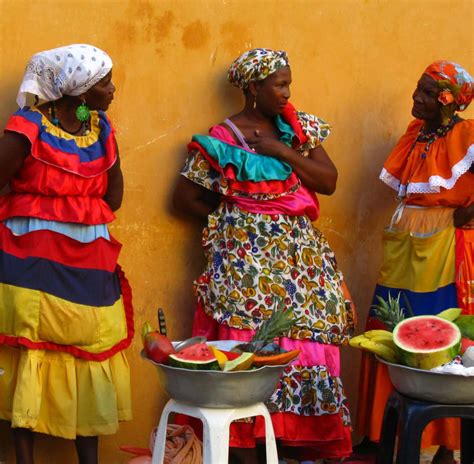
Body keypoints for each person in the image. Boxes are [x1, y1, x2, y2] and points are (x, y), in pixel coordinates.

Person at [172, 48, 355, 463]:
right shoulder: (222, 139)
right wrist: (235, 221)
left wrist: (282, 151)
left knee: (304, 342)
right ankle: (246, 451)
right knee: (249, 347)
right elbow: (184, 198)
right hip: (246, 267)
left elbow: (328, 181)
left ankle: (293, 447)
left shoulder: (297, 129)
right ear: (253, 88)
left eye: (289, 83)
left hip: (302, 264)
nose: (287, 93)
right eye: (280, 84)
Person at [0, 44, 134, 464]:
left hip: (85, 262)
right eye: (104, 82)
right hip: (31, 262)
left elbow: (115, 194)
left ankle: (87, 458)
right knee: (30, 346)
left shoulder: (101, 128)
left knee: (86, 348)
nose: (112, 90)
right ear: (78, 89)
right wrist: (67, 216)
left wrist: (73, 219)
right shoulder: (29, 126)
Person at [355, 61, 473, 464]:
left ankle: (445, 445)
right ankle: (378, 432)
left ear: (446, 101)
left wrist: (471, 211)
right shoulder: (415, 134)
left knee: (441, 328)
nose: (415, 98)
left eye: (425, 92)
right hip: (404, 239)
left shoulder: (466, 134)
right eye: (416, 89)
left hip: (444, 242)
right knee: (388, 326)